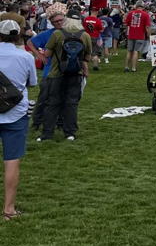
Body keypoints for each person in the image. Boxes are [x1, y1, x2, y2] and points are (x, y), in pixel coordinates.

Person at [0, 19, 36, 220]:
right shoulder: (25, 56)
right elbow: (32, 83)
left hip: (13, 112)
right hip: (16, 113)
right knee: (12, 161)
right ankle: (9, 209)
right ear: (18, 36)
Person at [39, 14, 92, 142]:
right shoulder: (85, 35)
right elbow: (87, 56)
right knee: (71, 104)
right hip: (75, 74)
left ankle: (47, 133)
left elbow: (47, 54)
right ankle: (70, 133)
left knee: (52, 104)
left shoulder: (57, 34)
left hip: (56, 74)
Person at [123, 2, 151, 72]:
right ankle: (133, 68)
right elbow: (147, 27)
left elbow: (126, 24)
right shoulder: (145, 15)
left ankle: (126, 67)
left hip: (131, 34)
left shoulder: (130, 13)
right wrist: (149, 35)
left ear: (136, 6)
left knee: (129, 51)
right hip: (140, 35)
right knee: (136, 51)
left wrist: (127, 33)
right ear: (143, 7)